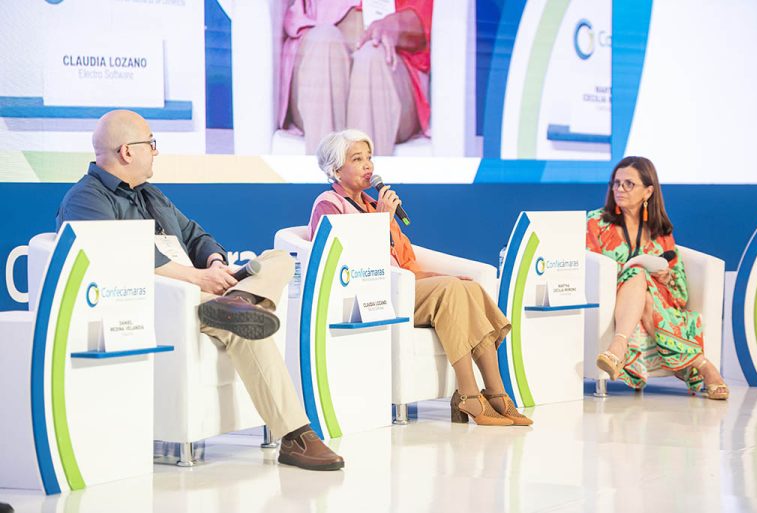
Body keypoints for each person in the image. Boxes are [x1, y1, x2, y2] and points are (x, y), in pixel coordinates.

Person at [56, 110, 344, 470]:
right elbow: (119, 257)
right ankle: (296, 437)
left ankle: (239, 301)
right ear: (127, 151)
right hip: (164, 303)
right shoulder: (86, 199)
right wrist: (197, 279)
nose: (156, 151)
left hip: (204, 292)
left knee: (279, 260)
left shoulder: (150, 194)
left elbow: (196, 235)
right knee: (244, 329)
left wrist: (214, 264)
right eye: (151, 143)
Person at [307, 129, 533, 426]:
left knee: (470, 288)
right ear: (336, 169)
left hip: (400, 288)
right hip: (368, 294)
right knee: (452, 290)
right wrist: (382, 221)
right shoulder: (329, 204)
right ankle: (468, 394)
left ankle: (496, 393)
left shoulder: (374, 205)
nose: (368, 166)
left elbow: (406, 266)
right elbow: (344, 264)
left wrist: (443, 276)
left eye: (369, 158)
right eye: (357, 159)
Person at [587, 156, 728, 400]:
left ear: (648, 191)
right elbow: (589, 268)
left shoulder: (660, 232)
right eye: (616, 183)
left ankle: (617, 348)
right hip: (612, 296)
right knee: (637, 274)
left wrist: (665, 276)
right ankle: (703, 365)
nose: (620, 189)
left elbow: (680, 291)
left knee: (646, 294)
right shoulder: (596, 222)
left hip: (657, 300)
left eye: (629, 184)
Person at [280, 1, 432, 156]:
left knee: (372, 57)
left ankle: (362, 169)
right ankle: (326, 168)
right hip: (319, 61)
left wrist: (396, 25)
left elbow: (427, 16)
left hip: (388, 70)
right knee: (324, 41)